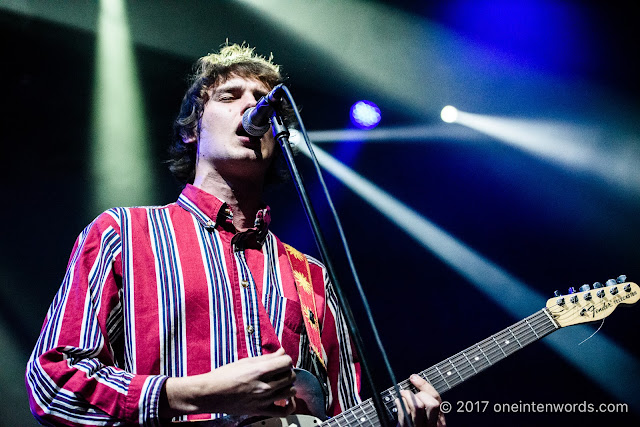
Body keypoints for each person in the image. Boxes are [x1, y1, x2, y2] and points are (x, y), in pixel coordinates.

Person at [25, 43, 444, 426]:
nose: (252, 108)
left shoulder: (312, 275)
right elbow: (53, 382)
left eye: (263, 104)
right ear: (192, 129)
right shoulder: (125, 233)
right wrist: (194, 394)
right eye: (230, 96)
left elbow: (343, 412)